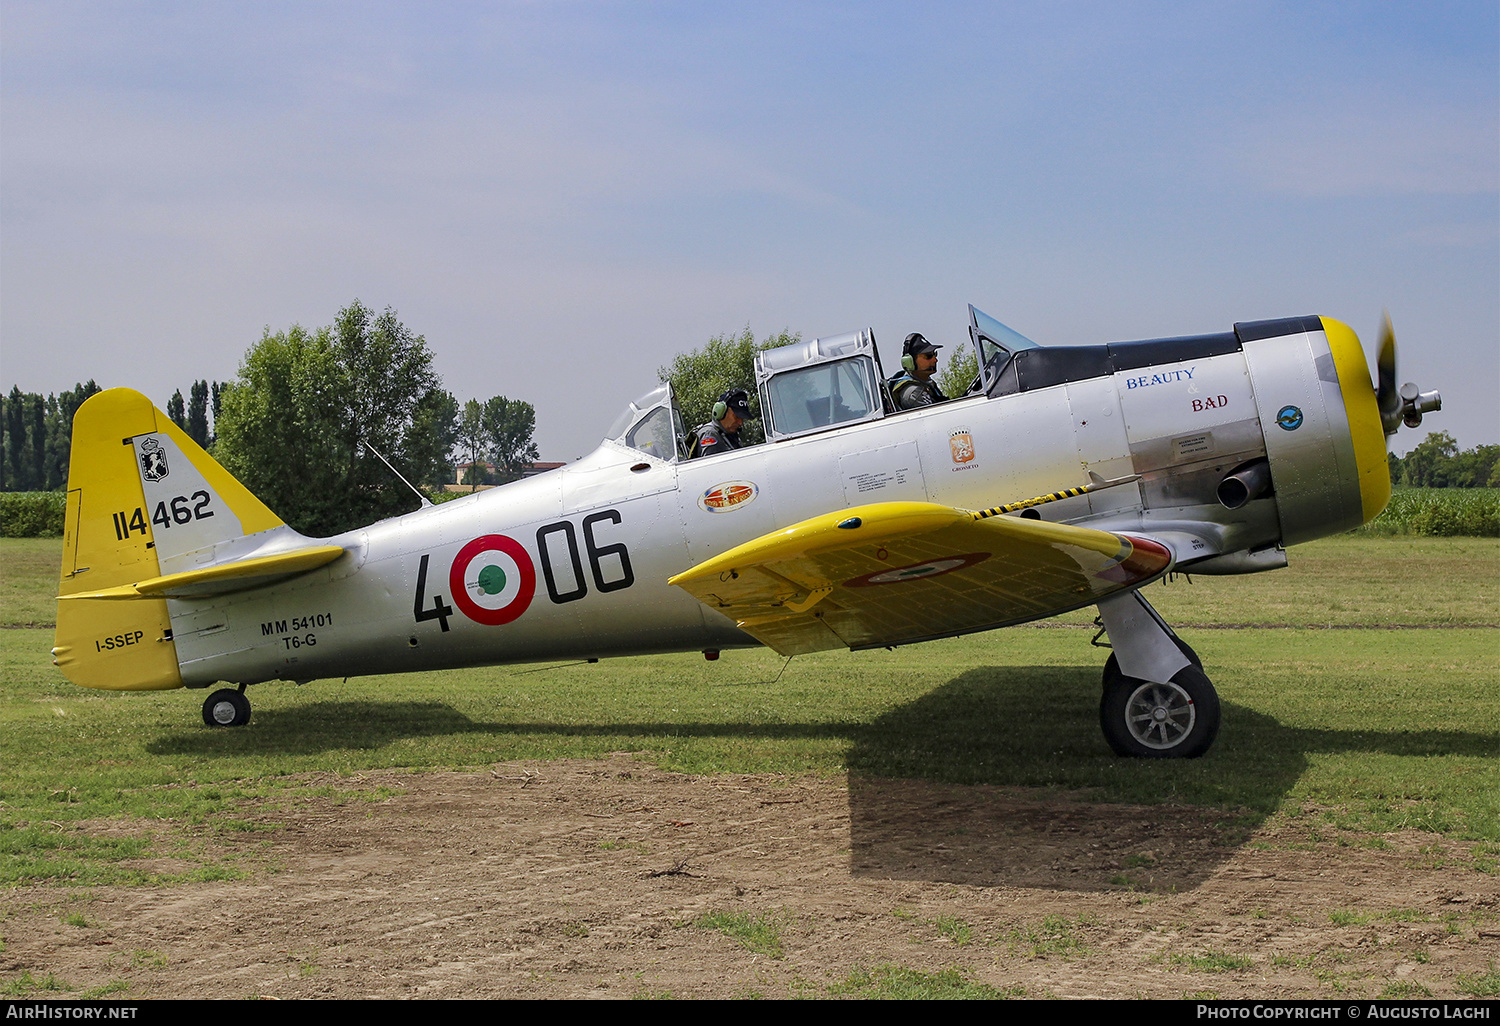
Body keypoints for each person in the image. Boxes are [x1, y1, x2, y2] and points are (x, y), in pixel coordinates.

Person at [687, 388, 757, 458]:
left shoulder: (729, 435)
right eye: (737, 417)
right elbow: (713, 467)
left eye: (742, 418)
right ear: (721, 411)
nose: (740, 423)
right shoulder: (710, 434)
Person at [888, 333, 949, 409]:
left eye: (935, 354)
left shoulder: (926, 384)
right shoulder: (914, 393)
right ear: (910, 361)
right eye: (928, 356)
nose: (935, 360)